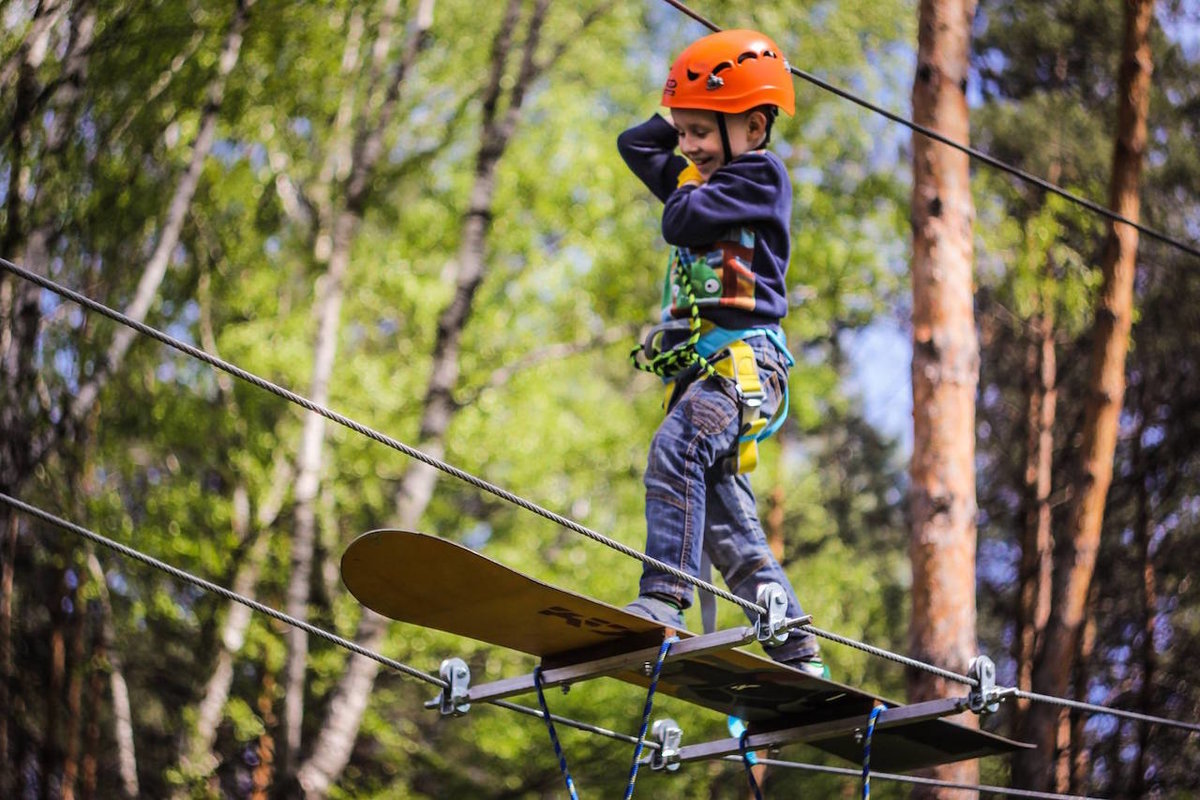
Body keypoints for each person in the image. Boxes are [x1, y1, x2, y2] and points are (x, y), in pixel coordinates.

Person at [616, 29, 825, 676]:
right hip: (712, 373)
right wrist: (681, 109)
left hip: (746, 366)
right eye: (685, 132)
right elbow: (634, 144)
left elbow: (679, 220)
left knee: (673, 452)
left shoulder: (759, 176)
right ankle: (794, 645)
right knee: (724, 523)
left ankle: (665, 598)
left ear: (755, 127)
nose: (689, 147)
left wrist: (685, 173)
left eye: (703, 132)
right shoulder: (699, 174)